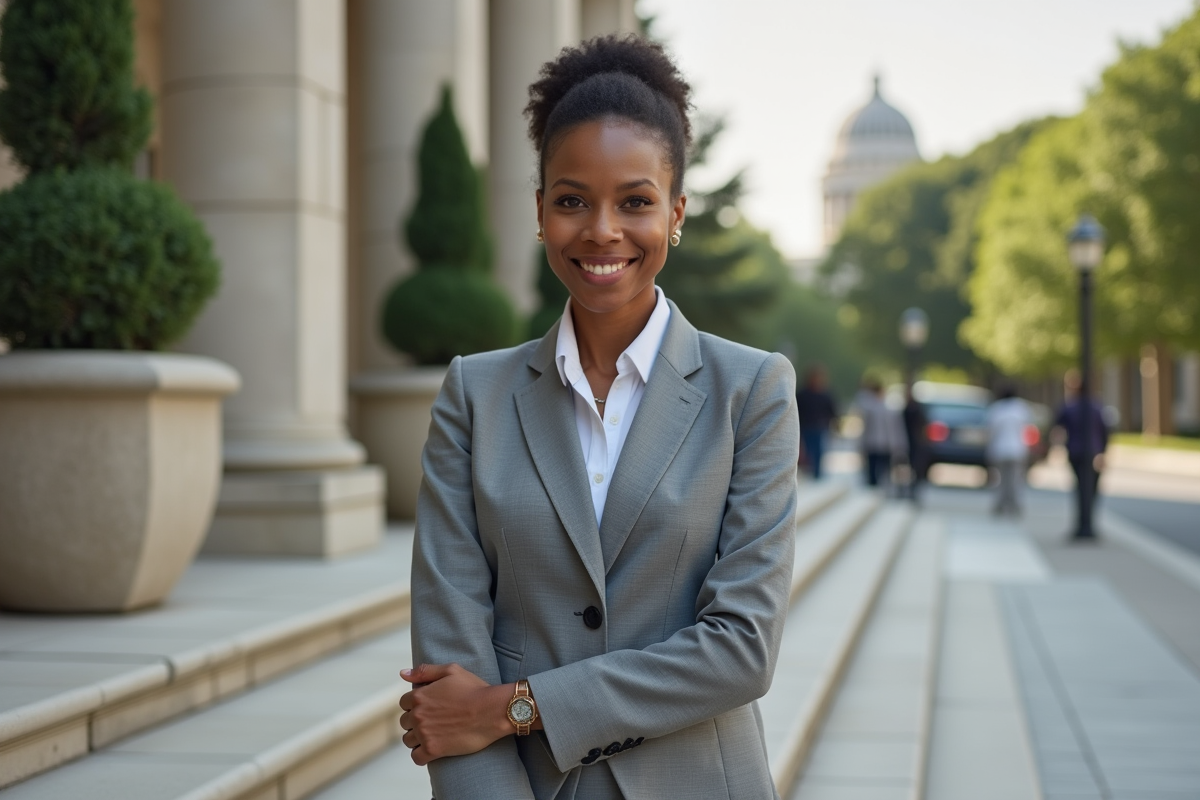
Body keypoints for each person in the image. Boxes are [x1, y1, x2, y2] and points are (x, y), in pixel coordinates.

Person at [398, 35, 799, 800]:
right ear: (541, 211)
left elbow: (741, 650)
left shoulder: (752, 391)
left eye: (637, 202)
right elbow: (450, 677)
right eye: (572, 199)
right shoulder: (472, 396)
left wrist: (518, 706)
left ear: (676, 213)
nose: (603, 230)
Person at [1055, 370, 1108, 534]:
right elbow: (1105, 431)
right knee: (1091, 489)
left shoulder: (1070, 407)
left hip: (1076, 451)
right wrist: (1103, 452)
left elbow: (1057, 428)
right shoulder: (1096, 407)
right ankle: (1087, 523)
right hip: (1092, 451)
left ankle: (1083, 524)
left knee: (1081, 488)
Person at [986, 385, 1034, 516]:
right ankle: (1015, 505)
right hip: (1017, 449)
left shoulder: (997, 409)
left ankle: (1000, 505)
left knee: (1000, 479)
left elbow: (991, 431)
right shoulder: (1021, 409)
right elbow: (1028, 428)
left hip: (1000, 448)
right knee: (1015, 480)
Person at [856, 377, 906, 489]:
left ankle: (880, 490)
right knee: (873, 471)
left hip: (885, 445)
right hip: (873, 444)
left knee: (883, 471)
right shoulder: (870, 408)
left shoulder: (889, 408)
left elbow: (895, 429)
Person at [796, 364, 838, 480]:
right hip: (806, 426)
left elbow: (832, 410)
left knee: (819, 450)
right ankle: (809, 470)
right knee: (807, 450)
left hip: (821, 426)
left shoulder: (826, 394)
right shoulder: (802, 394)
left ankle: (817, 473)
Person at [901, 385, 928, 501]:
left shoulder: (917, 409)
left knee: (915, 466)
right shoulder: (905, 409)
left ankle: (913, 490)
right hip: (905, 441)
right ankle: (904, 489)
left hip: (915, 442)